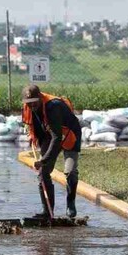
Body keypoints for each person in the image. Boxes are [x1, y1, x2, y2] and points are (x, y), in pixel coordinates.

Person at [22, 84, 82, 218]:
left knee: (70, 171)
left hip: (68, 135)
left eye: (34, 102)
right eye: (28, 103)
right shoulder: (28, 107)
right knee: (43, 173)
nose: (31, 106)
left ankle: (70, 202)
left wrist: (43, 160)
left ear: (40, 97)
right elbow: (36, 127)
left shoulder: (53, 106)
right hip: (49, 136)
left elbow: (57, 138)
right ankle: (48, 211)